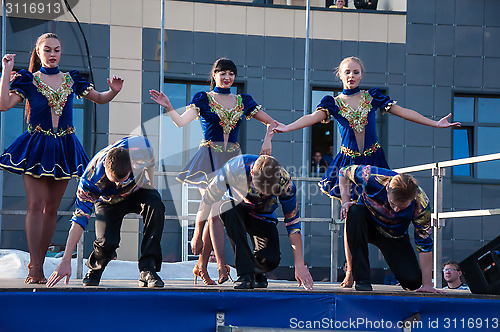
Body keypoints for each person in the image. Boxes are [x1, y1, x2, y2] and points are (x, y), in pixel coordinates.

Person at [274, 56, 460, 288]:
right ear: (340, 75)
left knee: (380, 202)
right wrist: (287, 127)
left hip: (374, 160)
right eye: (347, 72)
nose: (351, 76)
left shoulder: (372, 96)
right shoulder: (333, 102)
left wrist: (435, 124)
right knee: (351, 214)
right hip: (348, 164)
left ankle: (385, 245)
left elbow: (403, 111)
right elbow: (312, 118)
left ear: (362, 74)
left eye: (356, 72)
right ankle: (351, 270)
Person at [0, 33, 123, 284]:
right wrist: (6, 71)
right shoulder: (27, 80)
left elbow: (99, 98)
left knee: (52, 209)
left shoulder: (71, 79)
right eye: (47, 50)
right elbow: (3, 104)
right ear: (38, 52)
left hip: (64, 147)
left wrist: (113, 91)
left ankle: (41, 263)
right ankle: (35, 268)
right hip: (36, 146)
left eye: (57, 50)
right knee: (35, 204)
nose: (53, 54)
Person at [150, 58, 277, 286]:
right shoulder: (203, 99)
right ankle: (221, 265)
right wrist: (169, 107)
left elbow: (272, 123)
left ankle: (201, 265)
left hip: (233, 162)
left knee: (216, 213)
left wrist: (267, 139)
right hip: (207, 161)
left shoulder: (243, 101)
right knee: (216, 210)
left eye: (231, 73)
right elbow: (181, 122)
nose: (227, 77)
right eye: (222, 73)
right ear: (214, 75)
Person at [47, 136, 165, 288]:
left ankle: (148, 269)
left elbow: (151, 160)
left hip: (137, 191)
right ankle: (96, 268)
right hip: (108, 201)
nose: (118, 184)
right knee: (107, 242)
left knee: (156, 204)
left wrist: (152, 185)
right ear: (104, 166)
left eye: (122, 180)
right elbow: (79, 220)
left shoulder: (140, 147)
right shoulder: (89, 180)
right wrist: (66, 260)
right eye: (113, 180)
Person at [191, 154, 314, 290]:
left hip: (263, 216)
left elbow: (293, 225)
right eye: (260, 190)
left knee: (271, 260)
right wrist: (197, 233)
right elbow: (207, 201)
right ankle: (245, 274)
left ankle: (256, 272)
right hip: (238, 209)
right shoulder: (234, 168)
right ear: (251, 174)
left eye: (269, 192)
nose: (263, 195)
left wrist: (299, 264)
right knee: (225, 208)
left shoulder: (286, 183)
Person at [338, 164, 443, 293]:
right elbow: (343, 172)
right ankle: (361, 279)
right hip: (367, 224)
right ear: (387, 188)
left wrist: (427, 284)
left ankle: (409, 278)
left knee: (413, 282)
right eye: (393, 204)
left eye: (402, 207)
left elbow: (425, 244)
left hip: (394, 235)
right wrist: (345, 202)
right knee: (354, 212)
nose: (396, 210)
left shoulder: (421, 203)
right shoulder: (372, 176)